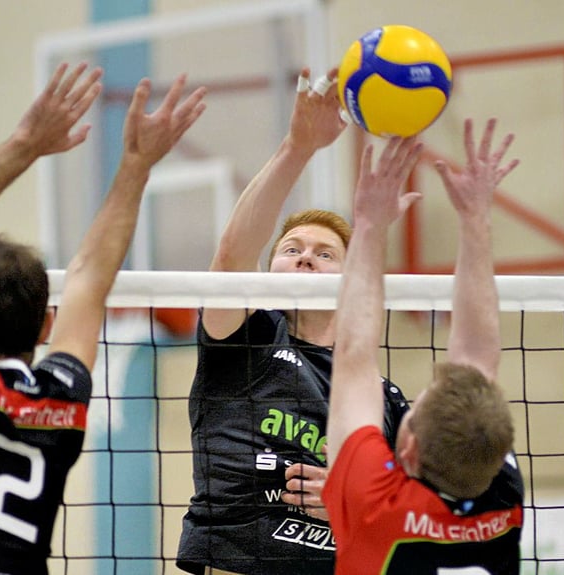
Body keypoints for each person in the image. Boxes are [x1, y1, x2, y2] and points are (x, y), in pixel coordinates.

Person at [0, 62, 206, 574]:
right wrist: (137, 164)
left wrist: (27, 142)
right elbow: (91, 276)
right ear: (45, 326)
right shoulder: (62, 396)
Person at [176, 70, 411, 575]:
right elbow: (231, 259)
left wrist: (349, 505)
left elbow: (407, 517)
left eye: (325, 253)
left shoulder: (383, 396)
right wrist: (299, 146)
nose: (305, 258)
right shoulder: (248, 339)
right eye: (291, 249)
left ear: (354, 282)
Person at [323, 119, 524, 574]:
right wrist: (475, 217)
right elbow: (474, 358)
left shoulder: (376, 501)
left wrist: (370, 224)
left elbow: (354, 354)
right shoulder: (502, 495)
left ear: (408, 451)